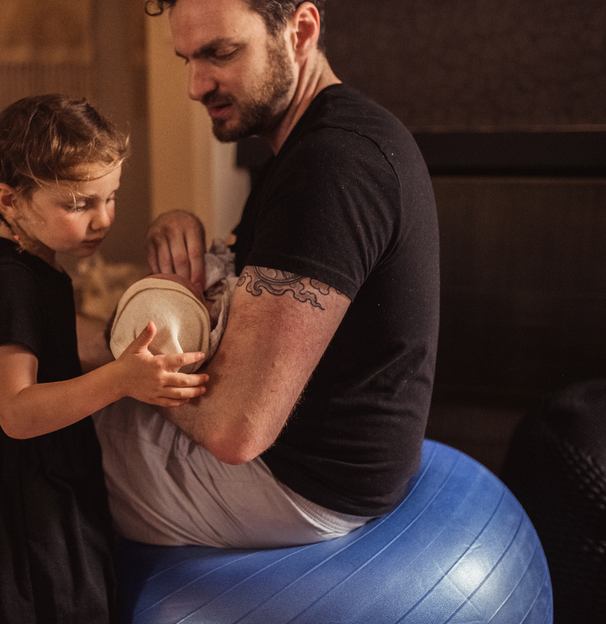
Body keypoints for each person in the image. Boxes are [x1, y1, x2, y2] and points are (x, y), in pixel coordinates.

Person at [94, 0, 440, 549]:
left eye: (220, 53)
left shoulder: (332, 166)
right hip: (305, 465)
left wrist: (122, 371)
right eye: (186, 58)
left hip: (298, 487)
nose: (194, 85)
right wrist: (181, 235)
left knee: (36, 435)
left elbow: (236, 429)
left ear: (300, 31)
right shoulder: (303, 147)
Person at [0, 94, 209, 623]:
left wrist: (118, 343)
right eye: (79, 204)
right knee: (38, 589)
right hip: (10, 473)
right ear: (9, 200)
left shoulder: (33, 259)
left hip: (38, 455)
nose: (102, 219)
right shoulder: (8, 282)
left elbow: (49, 338)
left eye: (110, 198)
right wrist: (120, 379)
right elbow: (17, 411)